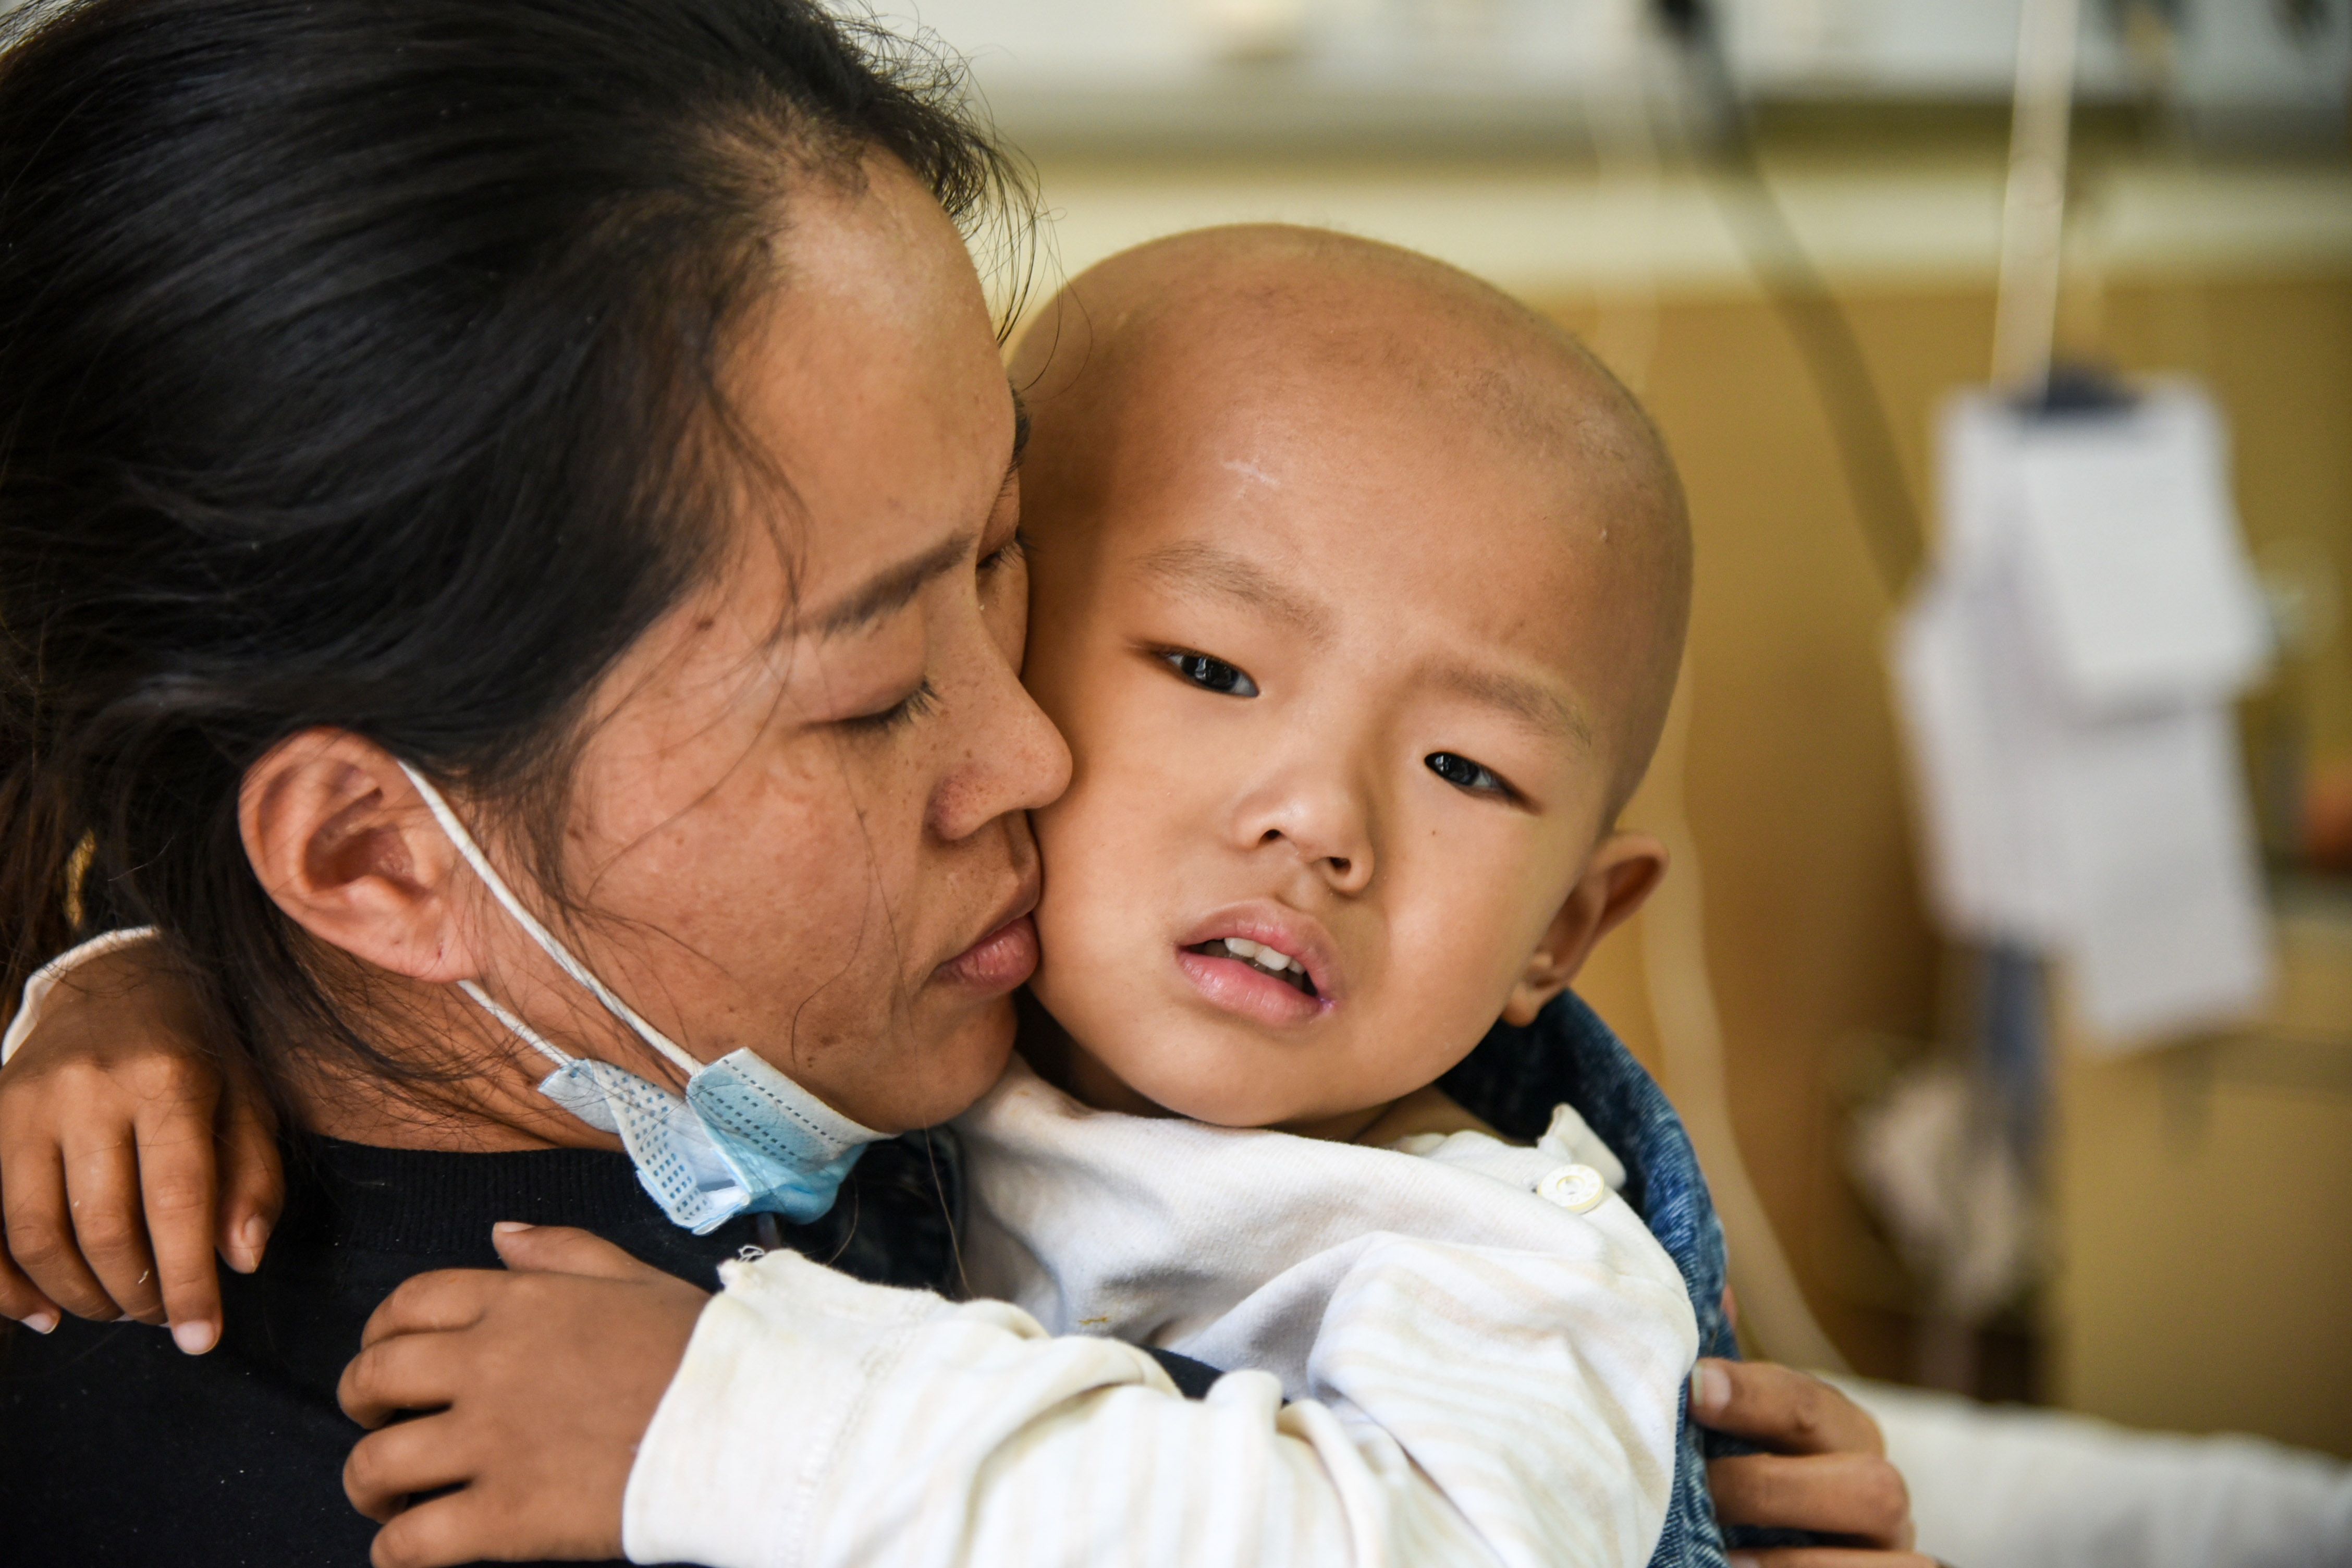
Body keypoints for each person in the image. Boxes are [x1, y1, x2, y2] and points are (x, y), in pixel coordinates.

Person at [0, 1, 1924, 1565]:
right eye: (867, 694)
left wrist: (151, 966)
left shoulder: (1061, 1074)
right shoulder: (416, 1449)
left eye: (1004, 562)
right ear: (368, 858)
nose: (1037, 751)